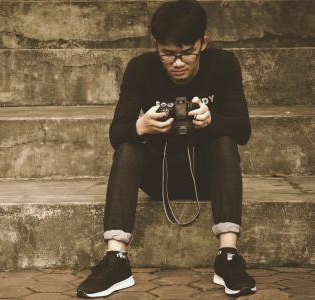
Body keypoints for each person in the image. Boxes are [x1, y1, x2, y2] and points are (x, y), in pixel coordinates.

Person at [76, 0, 257, 298]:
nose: (177, 63)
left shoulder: (223, 64)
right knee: (127, 148)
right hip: (158, 175)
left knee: (224, 143)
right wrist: (141, 128)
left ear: (204, 42)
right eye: (168, 54)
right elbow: (116, 132)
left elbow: (242, 130)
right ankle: (116, 259)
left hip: (208, 176)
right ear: (156, 46)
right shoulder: (141, 68)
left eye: (187, 53)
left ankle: (228, 257)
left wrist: (211, 121)